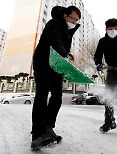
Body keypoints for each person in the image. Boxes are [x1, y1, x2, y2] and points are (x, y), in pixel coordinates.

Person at [31, 6, 81, 149]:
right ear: (65, 16)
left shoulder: (68, 30)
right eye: (73, 18)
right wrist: (63, 52)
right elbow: (55, 40)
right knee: (42, 93)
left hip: (55, 64)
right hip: (42, 62)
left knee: (57, 95)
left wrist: (67, 53)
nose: (75, 22)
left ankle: (48, 127)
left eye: (77, 20)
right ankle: (37, 134)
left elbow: (62, 44)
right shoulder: (54, 23)